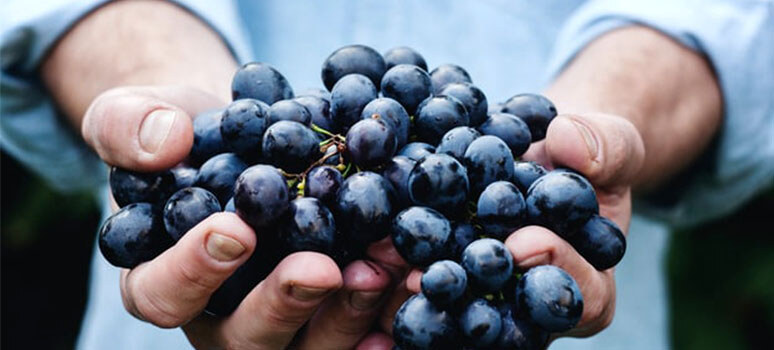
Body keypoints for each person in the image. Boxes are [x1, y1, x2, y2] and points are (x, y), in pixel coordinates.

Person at [1, 0, 772, 349]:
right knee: (236, 248)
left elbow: (730, 24)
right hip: (209, 291)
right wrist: (159, 99)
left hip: (537, 291)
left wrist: (602, 121)